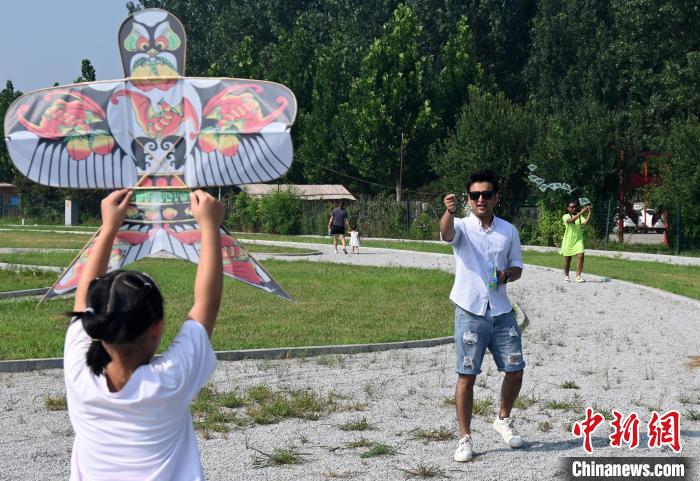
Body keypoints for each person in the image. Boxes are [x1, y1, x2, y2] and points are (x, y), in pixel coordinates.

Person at [64, 188, 224, 480]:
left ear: (96, 322)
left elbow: (82, 298)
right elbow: (207, 303)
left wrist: (109, 227)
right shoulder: (169, 381)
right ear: (156, 328)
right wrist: (210, 226)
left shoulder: (79, 372)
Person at [440, 170, 525, 463]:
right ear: (468, 199)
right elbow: (446, 234)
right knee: (467, 376)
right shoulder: (462, 226)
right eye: (475, 195)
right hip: (470, 311)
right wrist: (448, 212)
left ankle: (503, 419)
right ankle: (464, 438)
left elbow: (518, 267)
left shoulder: (508, 231)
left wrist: (506, 275)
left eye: (486, 194)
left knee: (515, 369)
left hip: (501, 310)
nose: (480, 199)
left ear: (496, 197)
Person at [561, 200, 592, 283]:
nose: (574, 208)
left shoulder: (579, 216)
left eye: (575, 207)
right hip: (568, 241)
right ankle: (566, 276)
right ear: (568, 208)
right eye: (572, 207)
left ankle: (578, 276)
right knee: (567, 260)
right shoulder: (565, 216)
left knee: (581, 255)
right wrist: (581, 212)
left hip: (578, 240)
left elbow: (585, 222)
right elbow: (570, 221)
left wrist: (589, 213)